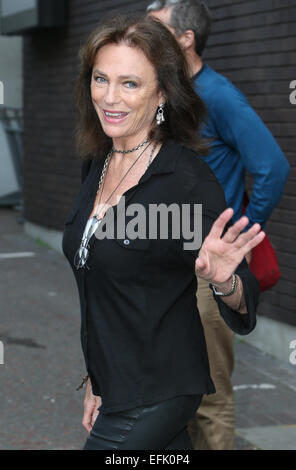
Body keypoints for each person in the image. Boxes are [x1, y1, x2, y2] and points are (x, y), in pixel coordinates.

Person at [62, 13, 265, 451]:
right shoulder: (97, 163)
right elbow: (101, 288)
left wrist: (224, 278)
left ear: (162, 93)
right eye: (101, 79)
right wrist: (98, 380)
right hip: (118, 383)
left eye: (130, 83)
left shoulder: (184, 182)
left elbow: (245, 298)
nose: (110, 97)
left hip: (157, 390)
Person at [147, 0, 290, 450]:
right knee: (176, 389)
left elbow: (273, 167)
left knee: (210, 394)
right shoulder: (165, 92)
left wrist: (239, 237)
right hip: (167, 264)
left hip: (207, 268)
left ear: (185, 39)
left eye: (156, 29)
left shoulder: (220, 95)